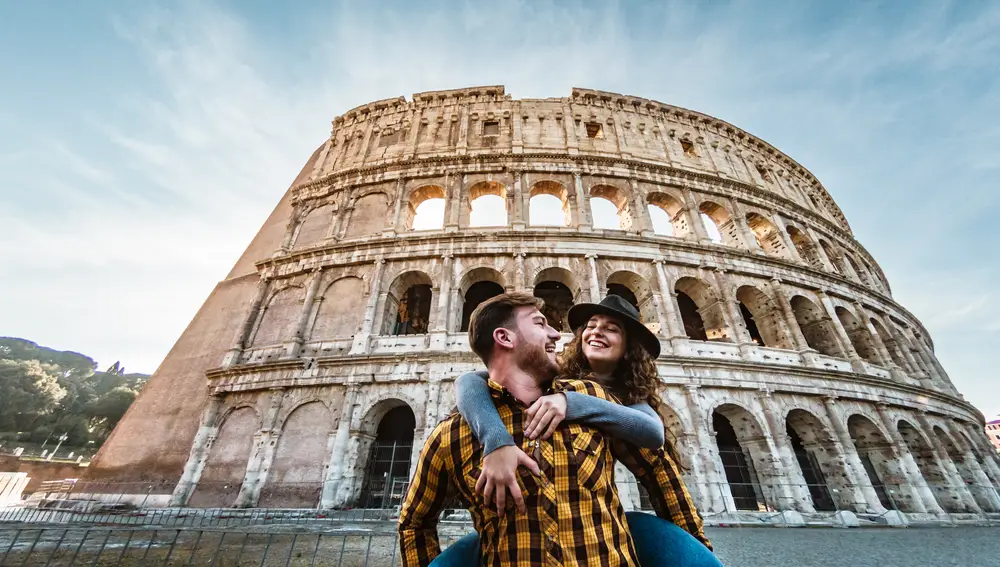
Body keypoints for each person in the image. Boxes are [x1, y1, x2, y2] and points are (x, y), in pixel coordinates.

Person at [398, 293, 706, 567]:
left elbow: (657, 459)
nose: (557, 334)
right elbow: (414, 522)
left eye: (612, 328)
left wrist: (696, 553)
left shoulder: (595, 396)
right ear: (505, 338)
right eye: (540, 323)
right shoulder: (454, 432)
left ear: (629, 351)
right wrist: (495, 439)